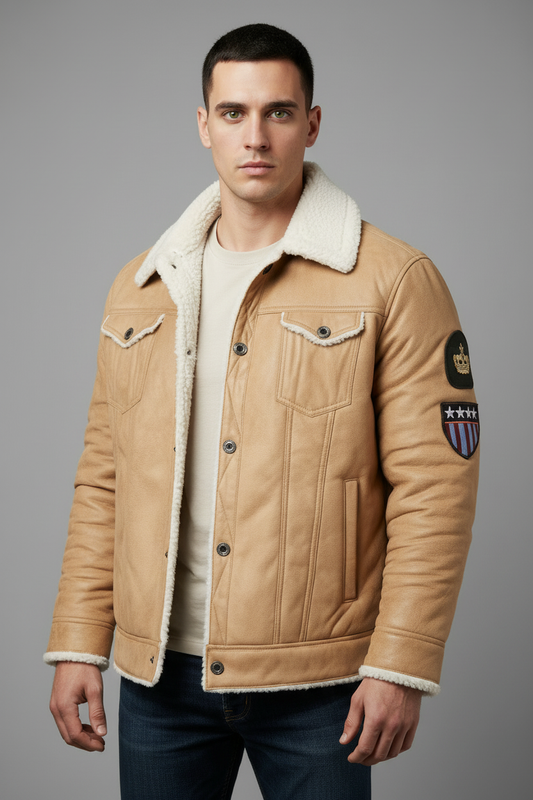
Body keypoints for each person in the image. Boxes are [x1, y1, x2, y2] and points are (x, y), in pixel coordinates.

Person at [45, 23, 479, 799]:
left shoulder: (392, 278)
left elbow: (435, 488)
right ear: (203, 124)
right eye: (234, 113)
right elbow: (104, 479)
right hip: (158, 681)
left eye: (278, 112)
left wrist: (401, 663)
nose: (255, 136)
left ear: (311, 124)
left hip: (322, 683)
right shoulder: (142, 287)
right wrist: (79, 641)